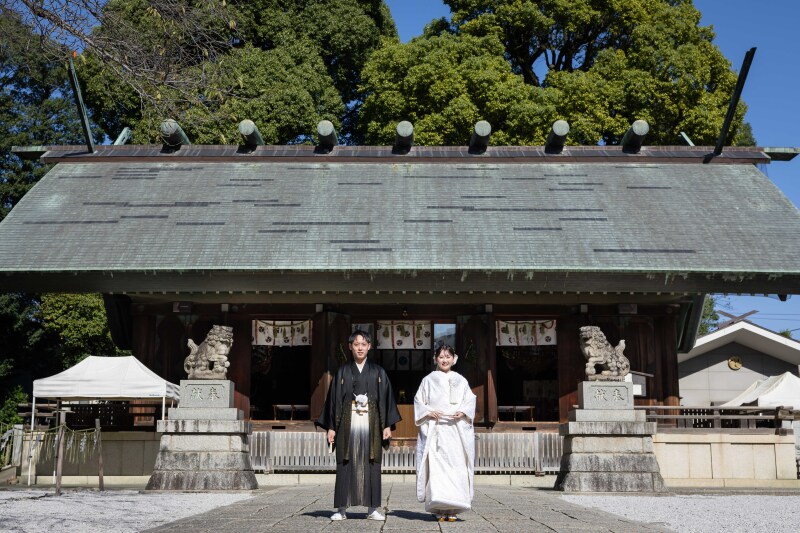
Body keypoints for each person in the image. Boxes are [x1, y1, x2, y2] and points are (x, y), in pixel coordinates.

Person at [316, 329, 401, 521]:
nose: (360, 348)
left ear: (369, 346)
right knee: (345, 461)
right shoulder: (342, 372)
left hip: (372, 423)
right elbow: (333, 401)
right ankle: (341, 509)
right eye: (356, 344)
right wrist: (331, 427)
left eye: (363, 344)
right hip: (348, 421)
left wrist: (387, 424)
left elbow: (386, 399)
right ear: (350, 347)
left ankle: (372, 509)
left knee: (372, 462)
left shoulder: (378, 372)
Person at [414, 344, 476, 522]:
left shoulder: (461, 380)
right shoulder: (428, 380)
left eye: (448, 356)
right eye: (441, 356)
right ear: (435, 359)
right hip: (437, 429)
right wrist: (428, 412)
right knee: (438, 469)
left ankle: (454, 507)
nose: (444, 359)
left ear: (454, 359)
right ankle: (439, 508)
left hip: (456, 431)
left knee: (456, 468)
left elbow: (470, 400)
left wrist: (463, 412)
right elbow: (419, 401)